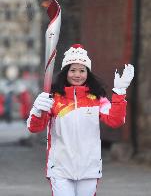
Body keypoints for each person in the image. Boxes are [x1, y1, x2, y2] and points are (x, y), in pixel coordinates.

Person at [27, 44, 134, 196]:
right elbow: (34, 128)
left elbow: (115, 120)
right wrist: (37, 110)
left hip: (89, 169)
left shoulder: (97, 99)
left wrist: (120, 93)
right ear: (66, 73)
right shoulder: (54, 99)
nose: (77, 75)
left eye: (82, 70)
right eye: (73, 70)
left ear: (87, 73)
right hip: (60, 169)